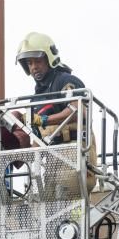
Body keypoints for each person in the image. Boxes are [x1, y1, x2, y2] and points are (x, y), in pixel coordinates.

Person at [13, 31, 97, 192]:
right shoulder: (36, 99)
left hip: (73, 152)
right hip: (52, 159)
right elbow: (38, 138)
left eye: (37, 60)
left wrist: (43, 120)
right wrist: (18, 152)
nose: (34, 67)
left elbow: (79, 112)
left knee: (67, 202)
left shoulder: (65, 81)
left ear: (49, 58)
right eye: (29, 63)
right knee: (52, 204)